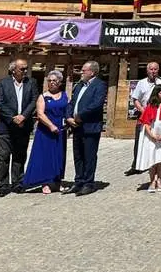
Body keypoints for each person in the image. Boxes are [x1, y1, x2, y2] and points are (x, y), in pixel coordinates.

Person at [0, 57, 38, 197]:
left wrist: (23, 116)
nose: (25, 71)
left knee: (20, 155)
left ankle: (18, 182)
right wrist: (14, 118)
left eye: (26, 68)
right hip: (6, 126)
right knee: (3, 156)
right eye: (22, 69)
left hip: (23, 125)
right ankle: (3, 185)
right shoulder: (2, 83)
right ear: (13, 70)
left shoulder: (31, 82)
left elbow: (34, 100)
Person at [63, 60, 107, 196]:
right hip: (76, 126)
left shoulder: (99, 85)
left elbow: (96, 104)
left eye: (84, 70)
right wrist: (69, 117)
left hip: (90, 126)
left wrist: (80, 115)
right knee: (78, 155)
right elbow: (72, 102)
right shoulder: (79, 85)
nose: (81, 72)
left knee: (89, 156)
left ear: (92, 72)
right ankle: (79, 181)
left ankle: (89, 183)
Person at [21, 70, 68, 194]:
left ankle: (57, 181)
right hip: (46, 131)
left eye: (54, 81)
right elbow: (40, 114)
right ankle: (45, 182)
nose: (52, 83)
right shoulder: (43, 97)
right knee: (45, 156)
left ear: (60, 82)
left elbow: (68, 110)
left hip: (60, 130)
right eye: (49, 81)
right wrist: (51, 125)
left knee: (59, 156)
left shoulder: (64, 95)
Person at [126, 62, 161, 176]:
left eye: (155, 69)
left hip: (158, 115)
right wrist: (144, 111)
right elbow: (136, 99)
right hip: (144, 113)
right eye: (151, 69)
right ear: (147, 71)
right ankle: (136, 165)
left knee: (156, 139)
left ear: (158, 70)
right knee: (139, 139)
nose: (153, 71)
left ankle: (156, 163)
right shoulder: (141, 83)